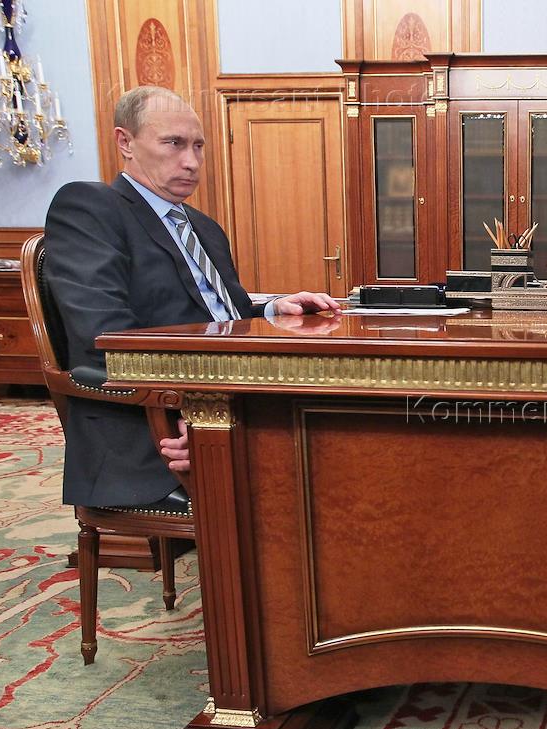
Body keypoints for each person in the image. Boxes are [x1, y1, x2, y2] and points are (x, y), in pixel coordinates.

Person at [44, 85, 341, 510]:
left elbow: (214, 311)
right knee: (305, 464)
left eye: (198, 146)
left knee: (334, 432)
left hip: (225, 399)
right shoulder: (90, 207)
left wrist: (272, 307)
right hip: (149, 427)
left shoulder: (203, 227)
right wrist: (198, 413)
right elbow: (105, 338)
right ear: (125, 142)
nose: (192, 162)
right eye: (174, 143)